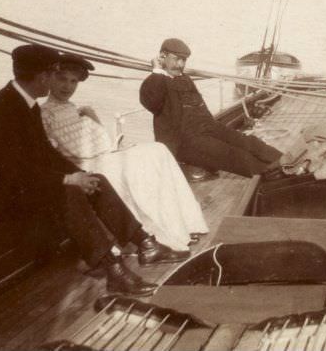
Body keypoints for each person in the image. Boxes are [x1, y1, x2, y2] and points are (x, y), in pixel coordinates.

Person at [0, 44, 185, 297]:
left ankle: (145, 244)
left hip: (23, 186)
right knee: (68, 193)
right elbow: (14, 172)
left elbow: (46, 154)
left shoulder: (25, 103)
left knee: (96, 180)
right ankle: (113, 270)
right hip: (2, 198)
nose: (54, 82)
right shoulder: (3, 111)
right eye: (53, 75)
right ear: (43, 77)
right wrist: (67, 180)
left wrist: (79, 175)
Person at [40, 53, 209, 252]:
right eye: (62, 79)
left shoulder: (73, 108)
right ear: (50, 78)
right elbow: (60, 152)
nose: (67, 86)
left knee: (158, 151)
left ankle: (184, 225)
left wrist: (91, 116)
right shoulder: (44, 114)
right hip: (82, 165)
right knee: (136, 167)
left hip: (100, 155)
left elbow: (98, 140)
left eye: (73, 81)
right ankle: (160, 235)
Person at [139, 38, 283, 178]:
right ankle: (270, 172)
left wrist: (215, 129)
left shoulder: (184, 79)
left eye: (184, 60)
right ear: (162, 56)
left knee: (243, 140)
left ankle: (282, 159)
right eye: (176, 59)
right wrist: (157, 71)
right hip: (182, 142)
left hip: (205, 128)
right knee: (229, 153)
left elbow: (201, 110)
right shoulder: (154, 82)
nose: (181, 64)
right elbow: (152, 103)